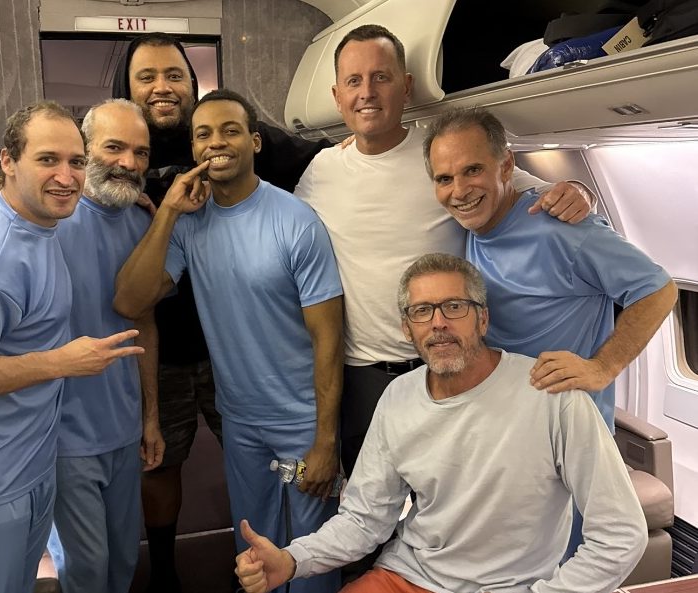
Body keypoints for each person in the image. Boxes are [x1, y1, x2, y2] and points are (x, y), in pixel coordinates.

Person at [0, 33, 332, 591]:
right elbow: (43, 149)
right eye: (147, 76)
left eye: (175, 74)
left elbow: (320, 152)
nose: (163, 87)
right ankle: (167, 573)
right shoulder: (89, 180)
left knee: (275, 487)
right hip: (160, 353)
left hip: (230, 360)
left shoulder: (219, 128)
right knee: (167, 473)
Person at [234, 253, 648, 593]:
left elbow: (621, 534)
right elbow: (364, 519)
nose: (438, 323)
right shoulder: (398, 398)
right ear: (407, 328)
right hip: (407, 577)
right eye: (422, 311)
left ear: (482, 319)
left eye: (454, 307)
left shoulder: (551, 394)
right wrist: (291, 560)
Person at [292, 24, 596, 478]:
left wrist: (579, 189)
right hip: (362, 377)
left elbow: (529, 192)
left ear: (406, 87)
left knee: (459, 495)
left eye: (381, 77)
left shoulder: (441, 155)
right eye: (354, 81)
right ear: (338, 97)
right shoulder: (321, 172)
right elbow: (287, 238)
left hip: (449, 363)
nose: (367, 92)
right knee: (370, 501)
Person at [113, 89, 345, 593]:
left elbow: (328, 339)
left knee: (312, 559)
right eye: (203, 134)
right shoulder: (188, 223)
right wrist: (168, 212)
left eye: (230, 130)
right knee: (253, 551)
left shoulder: (296, 221)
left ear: (255, 142)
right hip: (239, 420)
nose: (216, 142)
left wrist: (326, 440)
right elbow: (130, 301)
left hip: (301, 420)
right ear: (193, 149)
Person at [422, 105, 677, 557]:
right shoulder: (472, 231)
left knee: (562, 567)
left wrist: (602, 367)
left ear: (506, 166)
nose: (459, 191)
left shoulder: (561, 230)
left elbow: (658, 290)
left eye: (473, 170)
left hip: (567, 445)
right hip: (507, 439)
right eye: (445, 178)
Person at [0, 100, 145, 593]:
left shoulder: (43, 226)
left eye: (75, 161)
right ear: (7, 161)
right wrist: (61, 362)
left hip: (28, 467)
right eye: (47, 160)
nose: (66, 176)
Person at [44, 98, 162, 593]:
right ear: (85, 148)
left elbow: (145, 325)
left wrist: (150, 417)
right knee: (85, 568)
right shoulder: (47, 219)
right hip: (64, 436)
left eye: (140, 152)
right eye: (114, 147)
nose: (128, 163)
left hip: (123, 428)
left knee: (123, 562)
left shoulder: (143, 223)